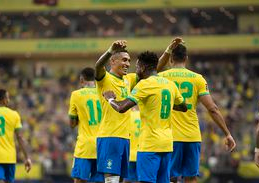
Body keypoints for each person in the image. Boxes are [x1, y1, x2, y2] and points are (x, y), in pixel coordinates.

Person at [157, 39, 236, 183]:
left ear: (171, 59)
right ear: (186, 59)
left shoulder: (162, 77)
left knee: (170, 177)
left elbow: (152, 70)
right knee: (191, 177)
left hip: (169, 136)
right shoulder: (198, 79)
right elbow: (212, 109)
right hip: (192, 136)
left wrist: (167, 51)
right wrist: (227, 133)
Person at [102, 51, 187, 183]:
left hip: (149, 144)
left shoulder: (144, 85)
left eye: (136, 67)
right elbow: (184, 107)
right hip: (167, 144)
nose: (135, 71)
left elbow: (121, 108)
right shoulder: (169, 84)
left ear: (142, 67)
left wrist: (110, 99)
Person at [94, 40, 138, 182]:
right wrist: (110, 50)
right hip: (110, 136)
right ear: (113, 61)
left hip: (125, 138)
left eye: (129, 61)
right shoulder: (104, 79)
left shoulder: (129, 80)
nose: (127, 64)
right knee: (111, 179)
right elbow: (98, 66)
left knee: (119, 180)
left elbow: (151, 70)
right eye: (124, 60)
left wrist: (168, 51)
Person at [68, 67, 104, 183]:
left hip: (85, 146)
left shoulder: (76, 95)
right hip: (102, 145)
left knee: (79, 179)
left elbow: (72, 124)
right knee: (99, 180)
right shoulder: (103, 93)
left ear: (81, 79)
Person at [124, 106, 141, 183]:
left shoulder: (128, 116)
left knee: (127, 180)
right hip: (142, 153)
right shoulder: (144, 116)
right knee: (139, 180)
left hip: (129, 155)